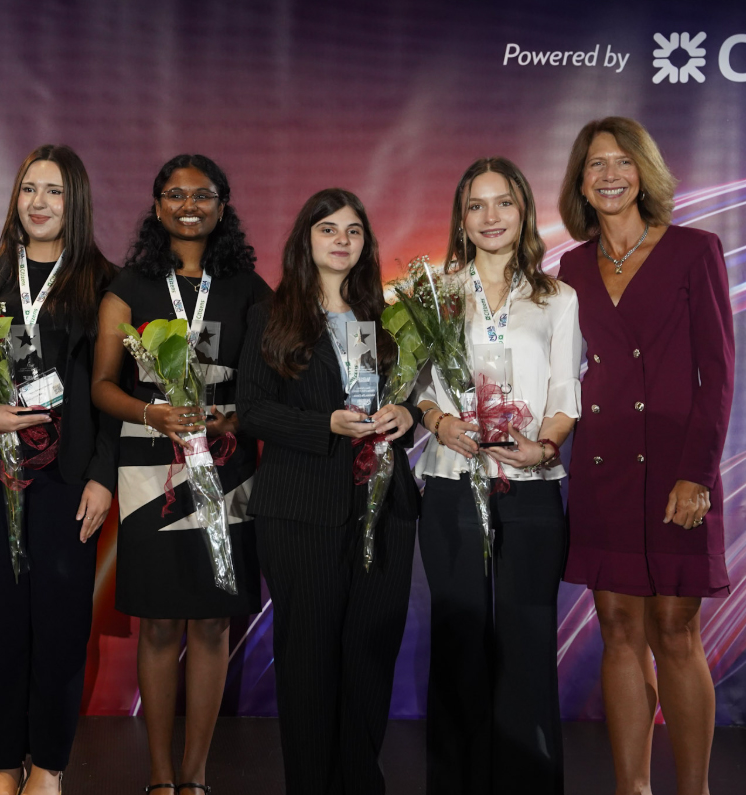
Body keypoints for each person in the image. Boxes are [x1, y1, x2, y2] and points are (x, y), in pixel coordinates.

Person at [557, 117, 734, 795]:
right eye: (594, 164)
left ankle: (693, 789)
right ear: (579, 181)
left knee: (674, 628)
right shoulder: (571, 265)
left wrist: (696, 474)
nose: (607, 174)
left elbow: (716, 373)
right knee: (617, 625)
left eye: (620, 162)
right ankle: (632, 786)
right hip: (602, 464)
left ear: (643, 173)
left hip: (673, 468)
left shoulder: (694, 249)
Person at [92, 154, 269, 795]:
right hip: (149, 468)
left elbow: (265, 387)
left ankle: (194, 777)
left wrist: (227, 417)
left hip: (227, 469)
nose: (188, 204)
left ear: (223, 205)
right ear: (157, 205)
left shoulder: (248, 287)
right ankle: (161, 778)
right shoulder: (129, 285)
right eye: (174, 194)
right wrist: (152, 411)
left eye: (203, 194)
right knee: (161, 621)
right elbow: (102, 387)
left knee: (214, 620)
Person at [236, 189, 420, 793]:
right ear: (305, 241)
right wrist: (325, 426)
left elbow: (407, 396)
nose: (342, 240)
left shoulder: (384, 316)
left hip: (381, 507)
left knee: (369, 655)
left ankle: (361, 782)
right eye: (328, 229)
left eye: (354, 231)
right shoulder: (274, 314)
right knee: (309, 661)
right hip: (300, 511)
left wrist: (405, 414)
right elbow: (252, 410)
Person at [0, 144, 117, 795]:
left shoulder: (103, 280)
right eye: (29, 190)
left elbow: (112, 388)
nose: (39, 203)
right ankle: (2, 762)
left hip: (68, 480)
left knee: (59, 624)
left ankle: (47, 763)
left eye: (53, 192)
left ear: (74, 202)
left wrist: (102, 475)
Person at [415, 157, 581, 794]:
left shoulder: (556, 297)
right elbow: (420, 388)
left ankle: (529, 783)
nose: (490, 217)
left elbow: (567, 390)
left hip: (532, 489)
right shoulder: (433, 293)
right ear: (461, 217)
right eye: (477, 205)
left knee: (527, 637)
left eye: (503, 203)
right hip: (454, 482)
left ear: (523, 213)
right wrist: (438, 422)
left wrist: (544, 448)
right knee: (458, 639)